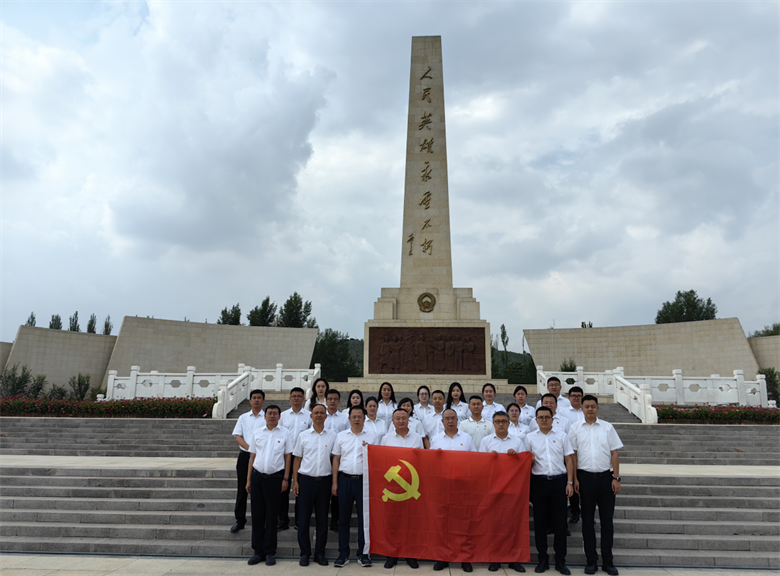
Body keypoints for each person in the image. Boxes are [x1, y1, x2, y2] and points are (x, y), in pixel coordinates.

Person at [569, 395, 623, 576]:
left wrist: (616, 478)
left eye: (593, 406)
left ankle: (608, 561)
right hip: (585, 479)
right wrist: (575, 479)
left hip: (606, 479)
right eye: (586, 406)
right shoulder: (575, 428)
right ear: (582, 408)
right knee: (587, 522)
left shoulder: (607, 427)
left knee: (607, 522)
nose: (590, 409)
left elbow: (614, 453)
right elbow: (573, 455)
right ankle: (591, 560)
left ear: (598, 408)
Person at [526, 406, 574, 575]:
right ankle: (543, 560)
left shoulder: (562, 436)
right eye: (541, 417)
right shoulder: (529, 437)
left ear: (553, 419)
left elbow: (569, 459)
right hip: (538, 482)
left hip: (559, 482)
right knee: (539, 523)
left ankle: (560, 561)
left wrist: (570, 482)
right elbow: (525, 462)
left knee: (560, 524)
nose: (544, 420)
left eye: (547, 417)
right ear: (536, 420)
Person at [479, 411, 528, 573]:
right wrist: (489, 459)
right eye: (498, 421)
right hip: (492, 490)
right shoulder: (486, 442)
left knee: (512, 525)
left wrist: (516, 458)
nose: (501, 424)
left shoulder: (517, 442)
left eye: (504, 421)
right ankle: (495, 558)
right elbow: (480, 467)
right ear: (493, 424)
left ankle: (513, 559)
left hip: (512, 490)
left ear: (508, 423)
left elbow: (526, 464)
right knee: (493, 526)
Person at [246, 405, 293, 567]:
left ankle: (270, 552)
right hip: (257, 477)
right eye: (269, 413)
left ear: (279, 417)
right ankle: (257, 551)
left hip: (275, 478)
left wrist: (286, 479)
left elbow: (288, 457)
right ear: (265, 416)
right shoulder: (257, 433)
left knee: (272, 516)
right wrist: (248, 480)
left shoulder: (285, 433)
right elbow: (252, 457)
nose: (272, 416)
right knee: (257, 516)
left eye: (275, 413)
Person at [430, 409, 475, 572]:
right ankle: (443, 557)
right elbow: (430, 465)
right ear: (442, 421)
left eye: (453, 418)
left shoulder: (466, 438)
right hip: (442, 487)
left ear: (458, 420)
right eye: (447, 418)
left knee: (463, 523)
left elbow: (474, 461)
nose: (450, 421)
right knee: (443, 523)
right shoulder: (435, 440)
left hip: (462, 487)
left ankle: (464, 558)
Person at [332, 405, 376, 568]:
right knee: (343, 518)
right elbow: (336, 459)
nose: (357, 419)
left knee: (364, 519)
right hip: (344, 480)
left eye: (360, 416)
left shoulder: (371, 436)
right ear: (349, 419)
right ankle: (343, 554)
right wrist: (335, 482)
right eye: (354, 416)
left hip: (364, 481)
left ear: (365, 418)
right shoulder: (341, 436)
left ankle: (363, 553)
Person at [292, 403, 335, 567]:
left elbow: (334, 459)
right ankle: (305, 553)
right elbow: (297, 459)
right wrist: (295, 481)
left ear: (326, 416)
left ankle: (319, 553)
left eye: (321, 413)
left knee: (322, 520)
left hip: (324, 482)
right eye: (315, 413)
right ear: (311, 416)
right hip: (305, 481)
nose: (318, 415)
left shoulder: (332, 436)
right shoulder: (303, 436)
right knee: (303, 520)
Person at [381, 409, 423, 569]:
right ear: (392, 421)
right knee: (392, 521)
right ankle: (392, 554)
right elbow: (382, 461)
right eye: (397, 418)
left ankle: (410, 554)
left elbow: (421, 461)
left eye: (404, 418)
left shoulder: (417, 438)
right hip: (393, 488)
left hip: (412, 486)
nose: (401, 421)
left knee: (410, 522)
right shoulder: (386, 439)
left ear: (408, 420)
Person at [230, 389, 265, 534]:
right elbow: (238, 436)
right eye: (254, 398)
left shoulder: (267, 417)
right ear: (250, 400)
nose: (256, 400)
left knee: (262, 489)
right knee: (242, 488)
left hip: (263, 457)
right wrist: (251, 449)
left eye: (259, 398)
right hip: (245, 456)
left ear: (263, 400)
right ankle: (240, 520)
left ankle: (263, 519)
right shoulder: (243, 418)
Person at [278, 387, 311, 531]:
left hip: (303, 457)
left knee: (300, 488)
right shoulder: (283, 416)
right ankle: (283, 519)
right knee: (283, 487)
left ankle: (299, 519)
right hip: (286, 455)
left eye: (299, 396)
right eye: (294, 396)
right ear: (290, 398)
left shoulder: (309, 415)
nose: (296, 398)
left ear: (303, 398)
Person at [557, 386, 585, 525]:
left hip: (585, 451)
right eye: (573, 395)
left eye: (579, 396)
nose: (576, 398)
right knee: (572, 481)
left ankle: (587, 513)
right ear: (569, 398)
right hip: (570, 451)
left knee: (584, 482)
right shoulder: (563, 413)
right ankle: (575, 511)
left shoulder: (586, 411)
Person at [323, 389, 349, 532]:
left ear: (339, 401)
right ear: (326, 401)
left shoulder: (345, 419)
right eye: (330, 399)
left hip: (339, 458)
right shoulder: (320, 415)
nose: (332, 401)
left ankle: (335, 520)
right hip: (323, 458)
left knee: (336, 492)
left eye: (335, 399)